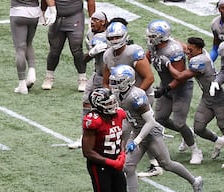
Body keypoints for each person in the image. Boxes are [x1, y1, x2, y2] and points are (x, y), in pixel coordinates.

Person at [108, 65, 203, 192]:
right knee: (129, 167)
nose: (113, 84)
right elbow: (127, 118)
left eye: (117, 81)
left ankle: (195, 181)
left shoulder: (136, 96)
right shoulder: (119, 94)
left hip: (151, 133)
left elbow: (150, 122)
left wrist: (137, 140)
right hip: (138, 131)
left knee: (166, 163)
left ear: (127, 81)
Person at [101, 21, 162, 178]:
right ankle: (125, 161)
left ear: (125, 36)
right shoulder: (107, 55)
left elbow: (149, 78)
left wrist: (132, 98)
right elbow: (106, 81)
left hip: (141, 97)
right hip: (122, 100)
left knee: (138, 130)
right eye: (111, 37)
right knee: (125, 130)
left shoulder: (134, 52)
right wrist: (111, 98)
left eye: (117, 37)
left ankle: (155, 162)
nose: (114, 40)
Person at [145, 20, 201, 164]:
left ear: (161, 36)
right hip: (166, 85)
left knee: (179, 123)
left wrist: (166, 89)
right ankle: (187, 133)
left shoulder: (173, 51)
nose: (150, 38)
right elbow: (146, 59)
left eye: (153, 36)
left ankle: (195, 150)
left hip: (181, 88)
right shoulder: (153, 45)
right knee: (160, 118)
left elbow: (180, 77)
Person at [82, 88, 128, 192]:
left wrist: (122, 153)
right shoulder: (93, 121)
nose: (113, 105)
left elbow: (121, 136)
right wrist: (110, 162)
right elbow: (87, 151)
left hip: (115, 162)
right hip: (99, 165)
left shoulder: (119, 114)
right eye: (108, 103)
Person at [165, 37, 224, 163]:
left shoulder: (199, 61)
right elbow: (185, 47)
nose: (188, 52)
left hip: (219, 99)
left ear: (198, 49)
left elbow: (180, 76)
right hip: (207, 97)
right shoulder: (200, 52)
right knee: (199, 128)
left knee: (223, 126)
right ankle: (218, 141)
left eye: (191, 50)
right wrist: (172, 40)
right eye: (188, 48)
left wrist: (167, 64)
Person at [69, 11, 109, 148]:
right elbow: (84, 60)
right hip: (97, 74)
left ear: (103, 22)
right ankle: (84, 136)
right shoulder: (90, 34)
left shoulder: (111, 35)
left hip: (112, 78)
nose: (92, 22)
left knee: (111, 108)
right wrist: (92, 52)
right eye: (92, 19)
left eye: (96, 20)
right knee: (86, 102)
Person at [41, 0, 95, 92]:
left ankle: (82, 79)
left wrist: (91, 19)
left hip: (75, 16)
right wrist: (42, 12)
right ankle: (49, 77)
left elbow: (91, 1)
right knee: (54, 50)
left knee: (77, 49)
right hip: (57, 16)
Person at [10, 0, 43, 95]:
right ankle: (32, 72)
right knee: (29, 43)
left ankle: (22, 84)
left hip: (18, 11)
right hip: (34, 12)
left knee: (20, 48)